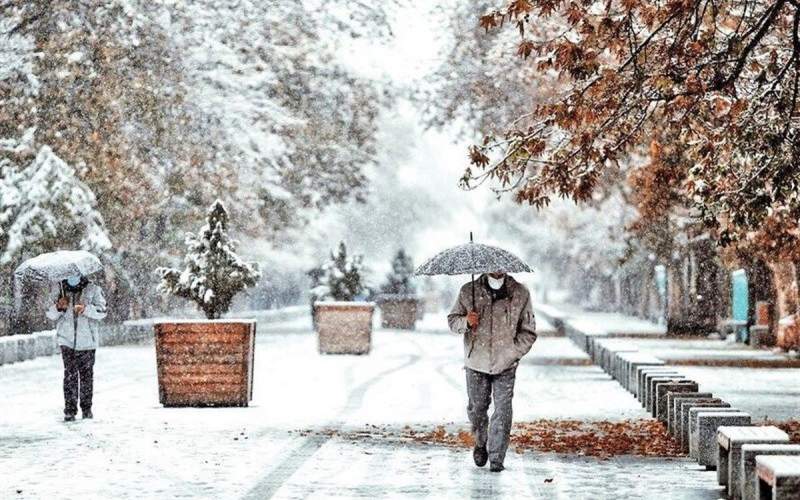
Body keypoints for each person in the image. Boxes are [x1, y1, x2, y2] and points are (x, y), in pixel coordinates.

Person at [448, 272, 537, 472]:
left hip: (506, 363)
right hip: (476, 361)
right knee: (477, 408)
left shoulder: (520, 293)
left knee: (503, 410)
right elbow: (453, 320)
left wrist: (514, 352)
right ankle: (481, 442)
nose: (496, 270)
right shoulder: (468, 291)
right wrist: (466, 322)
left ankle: (497, 457)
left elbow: (529, 330)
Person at [46, 274, 107, 422]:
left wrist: (86, 309)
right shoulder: (59, 290)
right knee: (70, 376)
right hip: (66, 341)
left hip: (87, 342)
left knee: (86, 376)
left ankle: (86, 409)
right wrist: (59, 307)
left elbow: (102, 311)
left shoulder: (93, 289)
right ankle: (70, 410)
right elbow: (49, 313)